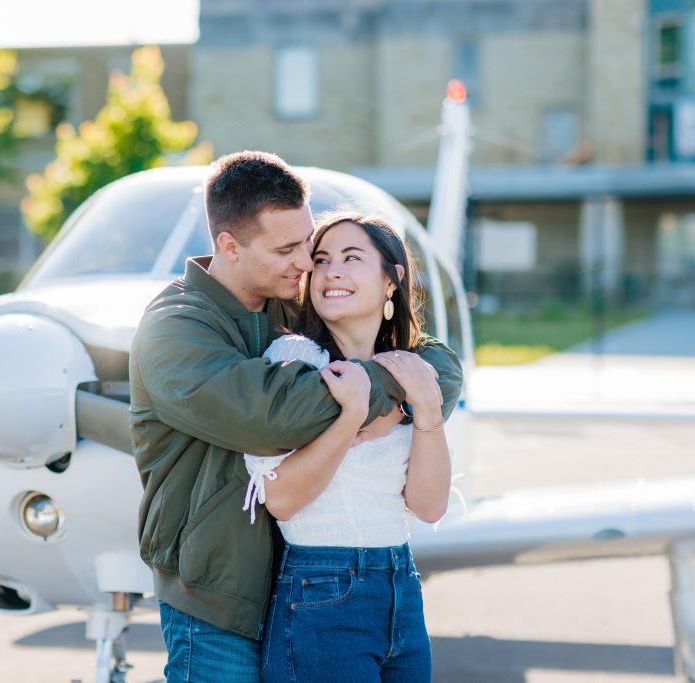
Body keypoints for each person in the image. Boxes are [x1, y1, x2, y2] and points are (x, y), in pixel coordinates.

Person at [129, 151, 463, 683]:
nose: (307, 264)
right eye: (287, 250)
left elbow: (438, 364)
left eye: (306, 244)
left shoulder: (292, 303)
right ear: (229, 246)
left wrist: (408, 388)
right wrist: (378, 396)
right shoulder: (176, 329)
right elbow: (274, 416)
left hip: (304, 580)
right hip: (220, 595)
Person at [243, 211, 451, 682]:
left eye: (351, 258)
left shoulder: (407, 371)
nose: (331, 270)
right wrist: (351, 416)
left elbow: (430, 505)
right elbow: (282, 499)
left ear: (392, 280)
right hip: (321, 586)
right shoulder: (296, 360)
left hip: (401, 582)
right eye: (321, 259)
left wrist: (425, 409)